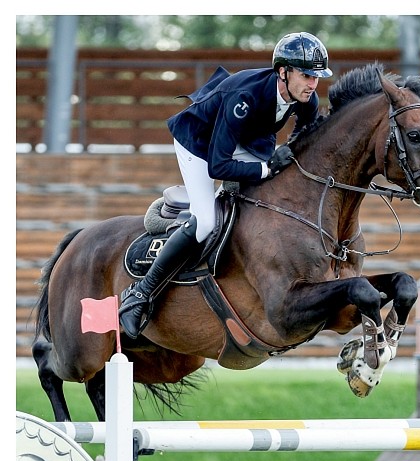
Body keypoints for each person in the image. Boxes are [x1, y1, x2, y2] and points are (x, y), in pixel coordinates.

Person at [119, 31, 332, 339]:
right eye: (306, 75)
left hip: (246, 138)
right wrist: (267, 167)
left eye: (317, 76)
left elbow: (306, 134)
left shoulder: (305, 97)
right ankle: (140, 294)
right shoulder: (243, 97)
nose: (313, 84)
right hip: (200, 144)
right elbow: (219, 165)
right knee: (205, 222)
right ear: (283, 72)